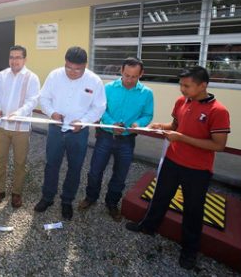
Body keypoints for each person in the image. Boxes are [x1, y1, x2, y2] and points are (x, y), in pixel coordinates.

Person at [125, 66, 230, 270]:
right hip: (173, 161)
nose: (182, 89)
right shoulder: (182, 102)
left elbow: (219, 145)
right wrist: (160, 126)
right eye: (180, 85)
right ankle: (148, 226)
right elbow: (176, 126)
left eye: (187, 86)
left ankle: (189, 251)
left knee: (192, 210)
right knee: (160, 197)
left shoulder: (218, 111)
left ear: (203, 85)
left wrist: (182, 138)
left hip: (198, 170)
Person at [35, 46, 106, 220]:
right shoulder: (55, 76)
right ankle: (47, 197)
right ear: (64, 62)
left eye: (78, 69)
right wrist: (52, 113)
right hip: (56, 129)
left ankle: (67, 201)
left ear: (85, 65)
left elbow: (99, 107)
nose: (73, 72)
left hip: (78, 132)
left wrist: (83, 122)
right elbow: (43, 98)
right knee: (51, 164)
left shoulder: (94, 81)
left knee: (75, 167)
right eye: (69, 67)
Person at [79, 57, 154, 221]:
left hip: (127, 140)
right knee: (95, 171)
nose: (129, 80)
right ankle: (91, 197)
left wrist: (138, 123)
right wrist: (112, 123)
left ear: (142, 74)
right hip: (105, 136)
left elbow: (148, 114)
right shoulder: (108, 88)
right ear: (121, 71)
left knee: (120, 175)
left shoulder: (147, 93)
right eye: (127, 75)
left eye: (134, 76)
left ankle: (112, 203)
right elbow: (101, 109)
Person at [0, 45, 40, 208]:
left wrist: (18, 113)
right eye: (11, 57)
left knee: (20, 162)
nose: (14, 60)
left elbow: (32, 101)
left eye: (18, 57)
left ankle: (16, 193)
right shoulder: (2, 75)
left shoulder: (32, 77)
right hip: (2, 127)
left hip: (21, 128)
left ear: (25, 59)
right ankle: (0, 190)